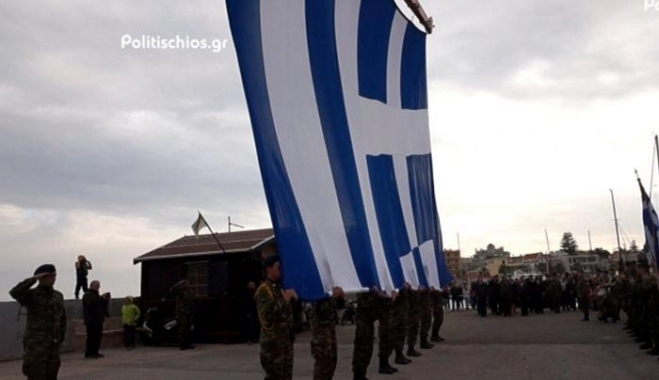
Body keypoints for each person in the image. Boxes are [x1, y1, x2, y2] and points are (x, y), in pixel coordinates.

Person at [10, 264, 66, 380]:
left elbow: (62, 318)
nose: (53, 279)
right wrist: (34, 278)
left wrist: (60, 336)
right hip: (36, 345)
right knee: (36, 374)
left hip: (53, 344)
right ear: (42, 278)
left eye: (54, 276)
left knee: (52, 373)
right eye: (49, 276)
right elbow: (15, 292)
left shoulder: (58, 296)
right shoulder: (31, 295)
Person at [256, 255, 297, 380]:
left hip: (285, 342)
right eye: (278, 267)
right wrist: (285, 300)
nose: (281, 270)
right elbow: (267, 315)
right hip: (273, 345)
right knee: (274, 376)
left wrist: (294, 299)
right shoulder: (264, 290)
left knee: (286, 376)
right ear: (269, 269)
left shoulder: (281, 288)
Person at [310, 286, 343, 380]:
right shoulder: (317, 287)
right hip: (321, 331)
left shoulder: (330, 285)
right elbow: (321, 309)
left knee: (332, 360)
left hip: (330, 329)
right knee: (323, 362)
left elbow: (338, 306)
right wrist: (333, 295)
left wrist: (340, 297)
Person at [82, 280, 110, 359]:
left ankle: (95, 351)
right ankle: (89, 353)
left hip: (98, 319)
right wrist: (101, 299)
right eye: (97, 285)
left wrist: (105, 300)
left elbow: (101, 305)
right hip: (91, 319)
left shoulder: (96, 295)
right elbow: (91, 304)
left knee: (97, 337)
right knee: (92, 337)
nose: (98, 287)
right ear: (92, 286)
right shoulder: (88, 295)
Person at [169, 279, 195, 350]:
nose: (187, 284)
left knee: (188, 328)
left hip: (189, 311)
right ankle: (182, 344)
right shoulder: (179, 291)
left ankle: (188, 343)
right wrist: (178, 284)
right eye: (185, 283)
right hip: (181, 312)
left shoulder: (190, 291)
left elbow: (191, 301)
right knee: (182, 328)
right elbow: (172, 290)